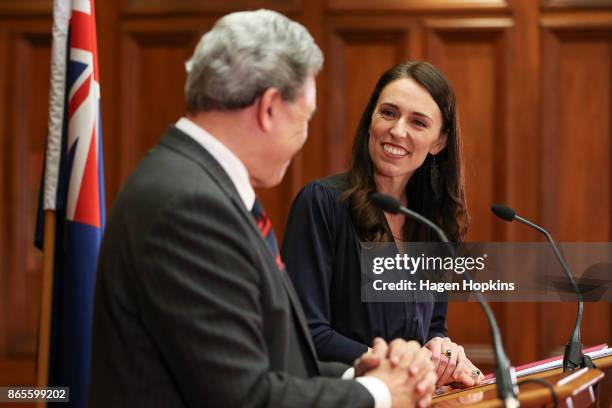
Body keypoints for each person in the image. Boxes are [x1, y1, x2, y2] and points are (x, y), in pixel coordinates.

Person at [88, 10, 438, 408]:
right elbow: (244, 398)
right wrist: (379, 393)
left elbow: (264, 362)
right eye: (304, 119)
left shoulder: (200, 185)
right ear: (269, 108)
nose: (303, 138)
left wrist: (359, 374)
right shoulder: (191, 205)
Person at [282, 61, 483, 388]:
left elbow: (432, 327)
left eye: (418, 122)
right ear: (370, 120)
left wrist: (443, 351)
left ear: (439, 142)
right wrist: (398, 367)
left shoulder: (431, 224)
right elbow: (306, 332)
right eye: (388, 113)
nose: (398, 130)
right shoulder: (321, 203)